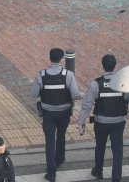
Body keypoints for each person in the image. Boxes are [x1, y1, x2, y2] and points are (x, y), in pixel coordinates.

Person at [75, 54, 129, 182]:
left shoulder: (96, 84)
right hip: (119, 122)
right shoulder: (122, 82)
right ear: (115, 66)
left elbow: (87, 105)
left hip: (101, 122)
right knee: (117, 150)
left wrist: (81, 122)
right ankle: (116, 178)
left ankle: (98, 171)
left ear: (103, 66)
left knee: (100, 146)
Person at [31, 47, 80, 182]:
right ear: (61, 59)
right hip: (64, 112)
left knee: (49, 141)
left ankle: (51, 172)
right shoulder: (68, 75)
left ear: (49, 58)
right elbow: (75, 95)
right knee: (61, 135)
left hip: (48, 113)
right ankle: (60, 159)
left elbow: (34, 94)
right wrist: (84, 95)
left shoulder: (41, 75)